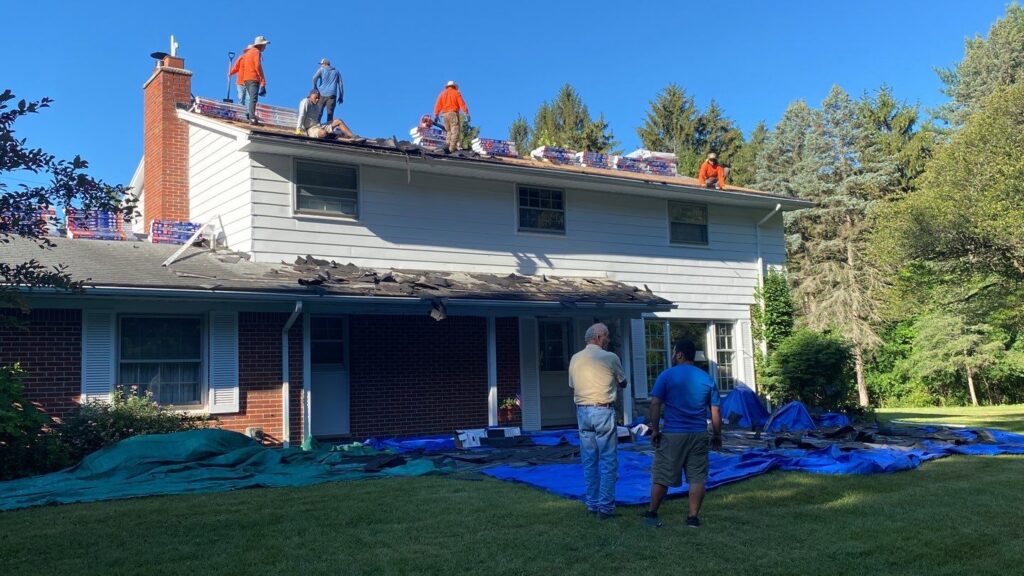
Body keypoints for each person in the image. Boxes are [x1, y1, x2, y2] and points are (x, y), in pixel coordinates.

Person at [643, 339, 722, 529]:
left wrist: (655, 430)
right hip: (699, 433)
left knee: (662, 474)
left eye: (674, 352)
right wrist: (717, 435)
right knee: (697, 477)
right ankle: (692, 518)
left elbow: (655, 403)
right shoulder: (707, 378)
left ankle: (652, 512)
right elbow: (716, 411)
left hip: (673, 435)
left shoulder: (667, 375)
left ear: (679, 354)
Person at [568, 323, 627, 519]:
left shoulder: (575, 359)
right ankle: (606, 507)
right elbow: (623, 382)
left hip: (582, 412)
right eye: (607, 336)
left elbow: (572, 385)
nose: (609, 340)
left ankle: (592, 504)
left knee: (589, 460)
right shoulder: (610, 357)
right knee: (609, 460)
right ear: (599, 337)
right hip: (603, 410)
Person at [228, 35, 270, 124]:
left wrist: (230, 73)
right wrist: (262, 80)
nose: (265, 47)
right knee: (251, 98)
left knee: (249, 98)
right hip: (252, 79)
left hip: (246, 79)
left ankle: (250, 115)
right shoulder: (256, 52)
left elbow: (238, 67)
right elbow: (257, 66)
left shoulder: (247, 54)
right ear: (260, 45)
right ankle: (251, 117)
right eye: (264, 45)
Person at [432, 80, 470, 153]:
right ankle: (451, 149)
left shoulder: (442, 94)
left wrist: (436, 115)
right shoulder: (456, 93)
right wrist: (466, 113)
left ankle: (447, 145)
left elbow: (437, 105)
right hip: (453, 113)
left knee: (448, 131)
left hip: (444, 115)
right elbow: (462, 104)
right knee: (455, 131)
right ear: (454, 86)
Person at [312, 58, 344, 123]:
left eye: (321, 64)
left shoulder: (321, 70)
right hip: (332, 95)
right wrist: (341, 96)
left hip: (321, 94)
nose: (320, 65)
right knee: (330, 113)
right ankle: (329, 129)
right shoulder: (336, 71)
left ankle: (317, 125)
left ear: (324, 64)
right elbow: (340, 84)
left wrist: (315, 87)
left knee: (319, 112)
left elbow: (314, 78)